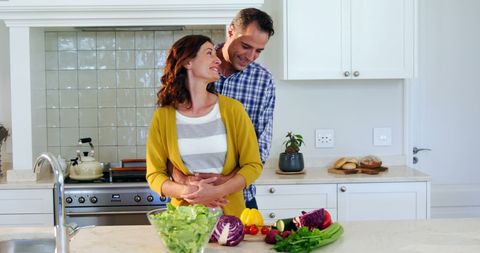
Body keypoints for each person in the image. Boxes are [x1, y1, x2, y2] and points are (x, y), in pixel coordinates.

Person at [146, 34, 262, 217]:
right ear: (188, 62)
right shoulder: (163, 117)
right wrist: (189, 192)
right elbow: (154, 176)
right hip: (184, 223)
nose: (217, 60)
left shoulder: (233, 110)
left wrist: (217, 191)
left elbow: (253, 165)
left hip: (231, 220)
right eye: (209, 53)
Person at [169, 8, 275, 209]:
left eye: (259, 51)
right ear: (230, 31)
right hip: (189, 198)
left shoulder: (263, 81)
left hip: (239, 196)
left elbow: (261, 145)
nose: (251, 56)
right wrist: (184, 181)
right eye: (246, 46)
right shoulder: (195, 65)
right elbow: (170, 141)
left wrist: (224, 183)